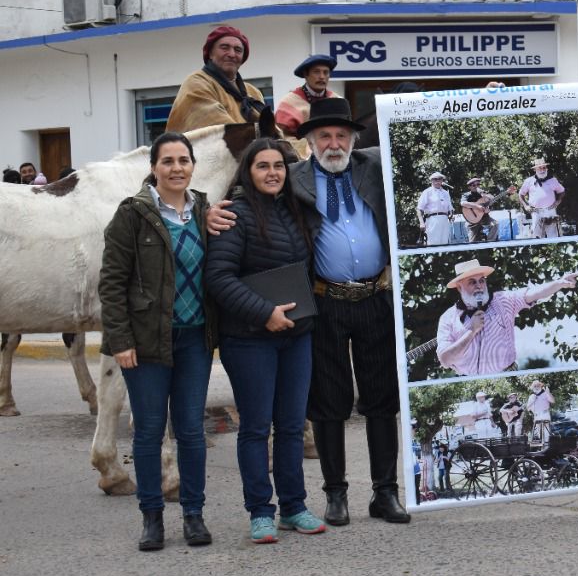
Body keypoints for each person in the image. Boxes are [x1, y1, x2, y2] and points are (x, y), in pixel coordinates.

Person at [211, 97, 409, 525]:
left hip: (376, 296)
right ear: (311, 142)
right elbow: (250, 193)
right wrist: (207, 212)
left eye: (341, 135)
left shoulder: (375, 165)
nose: (334, 144)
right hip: (323, 302)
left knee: (381, 399)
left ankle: (385, 492)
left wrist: (478, 100)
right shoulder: (293, 177)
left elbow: (421, 142)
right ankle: (335, 495)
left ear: (353, 139)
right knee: (328, 402)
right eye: (324, 136)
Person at [204, 137, 326, 544]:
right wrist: (264, 313)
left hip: (297, 335)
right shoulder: (233, 215)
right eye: (263, 166)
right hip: (249, 340)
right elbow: (219, 277)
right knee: (256, 428)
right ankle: (260, 512)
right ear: (247, 172)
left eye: (278, 166)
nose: (272, 173)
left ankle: (294, 507)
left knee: (291, 426)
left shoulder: (296, 211)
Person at [99, 132, 216, 551]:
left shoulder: (204, 211)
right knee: (149, 432)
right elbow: (111, 283)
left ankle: (193, 514)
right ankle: (151, 518)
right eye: (168, 161)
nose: (176, 168)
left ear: (193, 166)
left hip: (194, 339)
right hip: (146, 342)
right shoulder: (132, 214)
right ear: (153, 168)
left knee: (191, 431)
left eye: (184, 160)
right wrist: (120, 340)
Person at [435, 258, 578, 376]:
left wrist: (559, 283)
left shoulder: (503, 300)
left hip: (507, 375)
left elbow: (534, 293)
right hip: (469, 381)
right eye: (472, 282)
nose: (479, 286)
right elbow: (445, 360)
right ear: (459, 287)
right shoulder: (448, 318)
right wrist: (471, 332)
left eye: (481, 280)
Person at [165, 25, 268, 133]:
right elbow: (223, 131)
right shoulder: (196, 83)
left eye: (238, 50)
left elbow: (270, 130)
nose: (232, 54)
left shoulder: (253, 92)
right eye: (224, 47)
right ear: (210, 53)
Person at [276, 54, 339, 157]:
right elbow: (281, 138)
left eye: (326, 72)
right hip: (299, 161)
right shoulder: (288, 103)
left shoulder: (337, 101)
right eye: (316, 72)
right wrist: (308, 148)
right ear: (306, 74)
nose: (322, 77)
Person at [518, 158, 565, 238]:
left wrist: (558, 201)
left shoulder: (553, 180)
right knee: (536, 237)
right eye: (540, 168)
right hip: (536, 212)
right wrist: (526, 206)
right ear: (535, 170)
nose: (542, 170)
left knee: (554, 237)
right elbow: (521, 194)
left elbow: (562, 191)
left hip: (550, 211)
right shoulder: (529, 181)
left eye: (544, 167)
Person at [461, 177, 503, 242]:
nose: (476, 186)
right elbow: (463, 203)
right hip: (473, 220)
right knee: (473, 242)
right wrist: (477, 206)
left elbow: (492, 199)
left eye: (478, 184)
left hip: (484, 217)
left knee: (495, 224)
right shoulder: (466, 195)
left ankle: (490, 242)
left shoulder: (483, 193)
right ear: (469, 187)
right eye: (473, 185)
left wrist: (487, 208)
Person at [416, 172, 454, 245]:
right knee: (433, 243)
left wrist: (451, 215)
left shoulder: (446, 193)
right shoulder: (427, 192)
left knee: (445, 243)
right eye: (435, 179)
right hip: (432, 219)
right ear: (431, 180)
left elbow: (450, 208)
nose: (438, 181)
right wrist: (421, 223)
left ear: (442, 180)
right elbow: (419, 209)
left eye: (440, 179)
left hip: (445, 220)